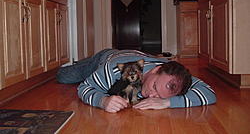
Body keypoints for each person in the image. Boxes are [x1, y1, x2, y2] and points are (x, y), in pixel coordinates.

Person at [57, 49, 216, 113]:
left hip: (136, 54)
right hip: (105, 59)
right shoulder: (116, 70)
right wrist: (102, 100)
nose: (151, 95)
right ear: (155, 70)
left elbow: (209, 93)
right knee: (64, 76)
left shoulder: (175, 76)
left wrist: (168, 103)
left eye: (160, 96)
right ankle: (82, 62)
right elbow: (84, 88)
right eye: (154, 86)